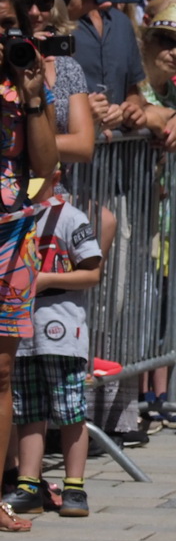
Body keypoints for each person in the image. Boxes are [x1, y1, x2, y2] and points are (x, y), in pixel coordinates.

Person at [122, 0, 176, 431]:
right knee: (133, 308)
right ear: (146, 39)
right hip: (134, 214)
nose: (175, 52)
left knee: (162, 307)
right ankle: (135, 400)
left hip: (168, 216)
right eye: (165, 40)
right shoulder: (136, 87)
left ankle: (159, 397)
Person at [0, 0, 61, 532]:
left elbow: (45, 168)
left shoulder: (22, 81)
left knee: (1, 374)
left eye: (6, 26)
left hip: (10, 237)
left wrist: (35, 94)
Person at [4, 200, 103, 517]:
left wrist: (44, 279)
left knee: (70, 410)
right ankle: (29, 484)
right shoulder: (12, 217)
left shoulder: (70, 217)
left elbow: (93, 273)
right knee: (28, 411)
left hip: (62, 329)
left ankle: (75, 486)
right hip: (22, 330)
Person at [0, 0, 93, 167]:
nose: (35, 13)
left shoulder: (66, 66)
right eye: (26, 4)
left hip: (45, 189)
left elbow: (84, 146)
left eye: (44, 3)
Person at [49, 0, 140, 134]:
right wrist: (72, 12)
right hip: (67, 156)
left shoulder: (120, 21)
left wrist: (132, 109)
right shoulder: (40, 15)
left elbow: (133, 89)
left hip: (116, 157)